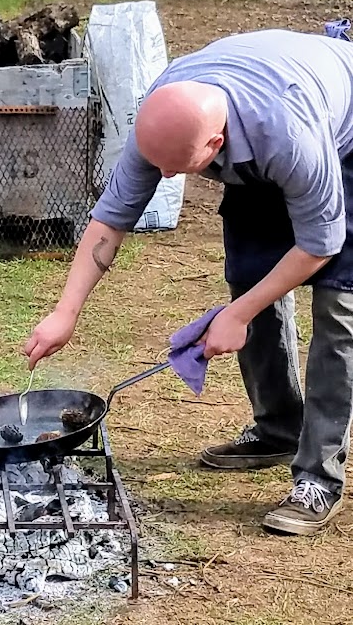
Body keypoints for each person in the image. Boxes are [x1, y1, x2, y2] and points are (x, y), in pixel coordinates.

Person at [24, 27, 353, 537]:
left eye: (180, 169)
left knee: (338, 312)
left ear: (216, 144)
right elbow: (111, 220)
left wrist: (237, 316)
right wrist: (66, 311)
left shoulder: (288, 135)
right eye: (160, 167)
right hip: (261, 142)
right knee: (249, 279)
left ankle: (317, 478)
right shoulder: (161, 118)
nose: (167, 178)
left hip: (341, 134)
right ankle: (279, 427)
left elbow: (319, 244)